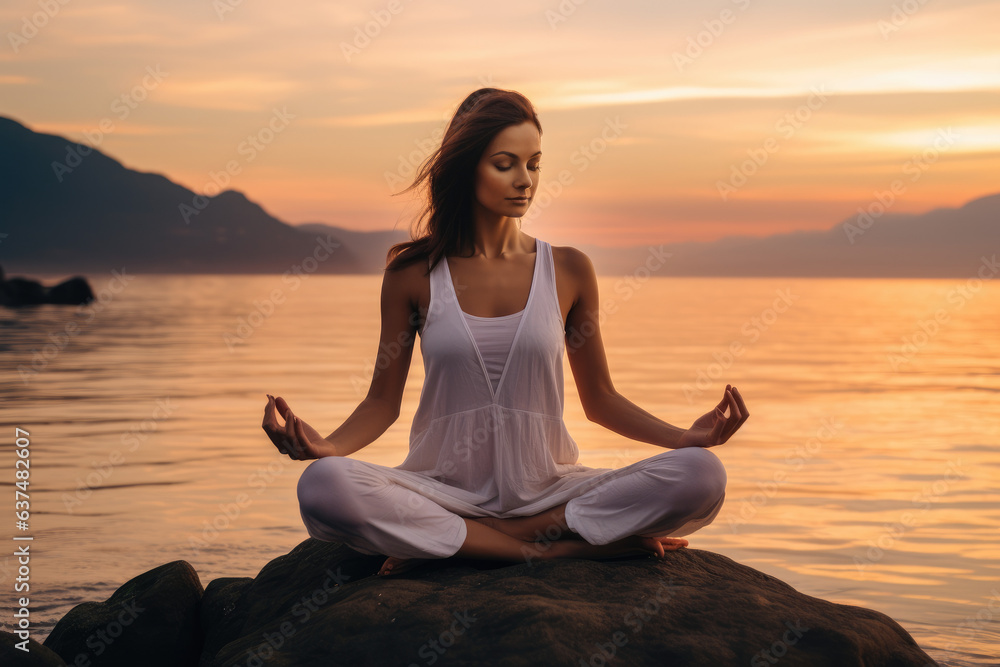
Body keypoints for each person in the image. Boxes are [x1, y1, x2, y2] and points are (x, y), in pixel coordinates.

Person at [262, 88, 748, 578]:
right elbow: (381, 404)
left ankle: (474, 538)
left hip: (550, 488)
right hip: (441, 488)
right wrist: (328, 447)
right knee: (322, 484)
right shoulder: (412, 273)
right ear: (466, 167)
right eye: (505, 164)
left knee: (701, 473)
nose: (525, 181)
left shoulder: (569, 269)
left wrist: (685, 437)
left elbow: (600, 399)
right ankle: (556, 549)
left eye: (534, 164)